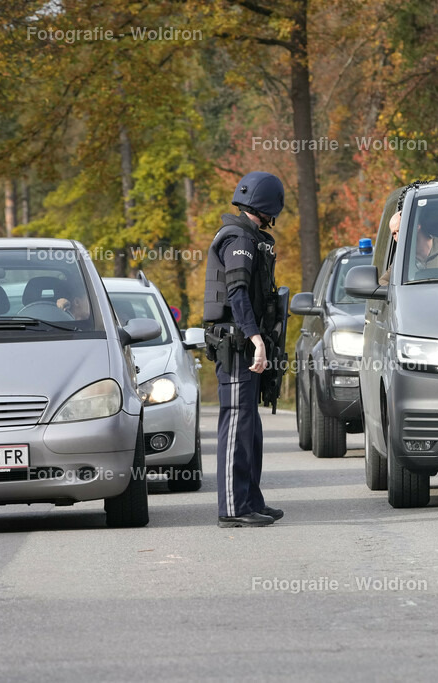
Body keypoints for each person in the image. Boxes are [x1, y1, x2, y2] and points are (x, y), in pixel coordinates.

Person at [203, 171, 286, 528]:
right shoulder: (239, 239)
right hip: (237, 345)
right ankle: (233, 508)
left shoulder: (249, 237)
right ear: (269, 206)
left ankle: (251, 500)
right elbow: (237, 293)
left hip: (243, 343)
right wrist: (255, 339)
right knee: (237, 423)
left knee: (249, 427)